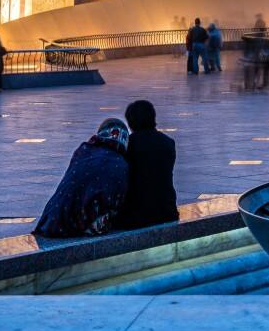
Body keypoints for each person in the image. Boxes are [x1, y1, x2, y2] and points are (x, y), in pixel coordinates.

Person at [34, 118, 130, 238]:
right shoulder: (120, 163)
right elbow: (116, 200)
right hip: (80, 224)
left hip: (51, 219)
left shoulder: (84, 149)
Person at [116, 100, 178, 230]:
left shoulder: (127, 145)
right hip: (167, 211)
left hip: (135, 215)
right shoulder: (168, 142)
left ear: (130, 122)